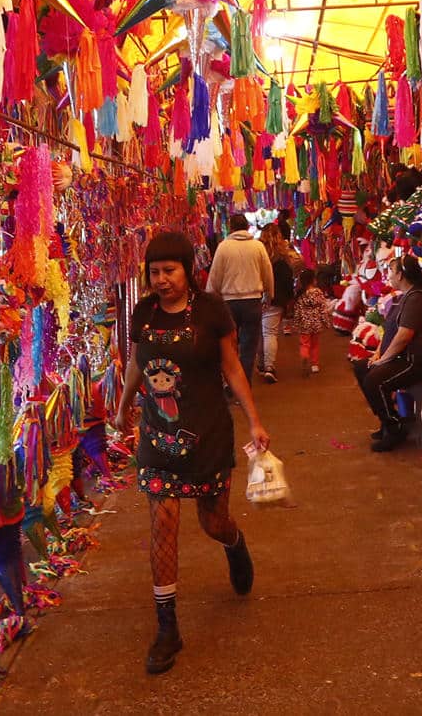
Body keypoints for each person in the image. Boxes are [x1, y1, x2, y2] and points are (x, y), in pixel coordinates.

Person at [115, 231, 270, 676]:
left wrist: (255, 420)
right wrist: (125, 405)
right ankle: (168, 629)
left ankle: (234, 543)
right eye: (154, 272)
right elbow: (136, 363)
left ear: (188, 270)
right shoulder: (142, 313)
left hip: (208, 435)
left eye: (170, 270)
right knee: (163, 525)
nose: (161, 280)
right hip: (158, 439)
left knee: (211, 521)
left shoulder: (212, 311)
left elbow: (232, 366)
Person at [352, 252, 422, 451]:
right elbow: (389, 329)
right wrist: (378, 353)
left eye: (391, 271)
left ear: (401, 275)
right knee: (361, 367)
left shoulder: (417, 298)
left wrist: (384, 359)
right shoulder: (405, 296)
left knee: (374, 380)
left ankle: (394, 428)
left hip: (417, 362)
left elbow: (404, 336)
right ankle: (387, 422)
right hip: (402, 357)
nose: (389, 276)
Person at [204, 214, 273, 381]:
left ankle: (230, 383)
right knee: (249, 347)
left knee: (229, 346)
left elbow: (215, 276)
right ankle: (245, 383)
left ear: (231, 227)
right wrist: (269, 294)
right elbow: (267, 271)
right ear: (248, 227)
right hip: (252, 302)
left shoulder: (223, 247)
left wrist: (209, 298)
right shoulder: (258, 246)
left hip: (228, 303)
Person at [259, 221, 297, 383]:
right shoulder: (283, 258)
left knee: (259, 334)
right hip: (276, 300)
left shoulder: (258, 255)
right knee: (270, 333)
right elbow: (289, 283)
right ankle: (269, 366)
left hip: (257, 298)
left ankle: (261, 364)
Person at [287, 266, 332, 376]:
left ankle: (305, 355)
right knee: (315, 345)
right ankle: (315, 365)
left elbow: (297, 311)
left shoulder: (300, 295)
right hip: (316, 324)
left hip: (304, 324)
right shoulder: (318, 293)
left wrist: (296, 324)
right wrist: (326, 322)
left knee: (305, 344)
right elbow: (323, 309)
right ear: (313, 280)